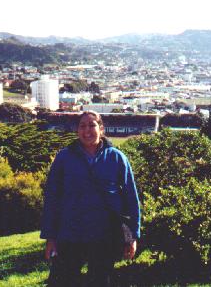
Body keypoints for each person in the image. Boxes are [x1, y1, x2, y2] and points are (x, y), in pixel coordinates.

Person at [41, 111, 141, 286]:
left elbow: (131, 200)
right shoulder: (64, 158)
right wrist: (50, 237)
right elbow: (52, 199)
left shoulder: (117, 158)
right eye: (82, 126)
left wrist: (132, 236)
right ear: (77, 130)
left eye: (92, 125)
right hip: (69, 234)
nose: (87, 130)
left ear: (101, 129)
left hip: (105, 236)